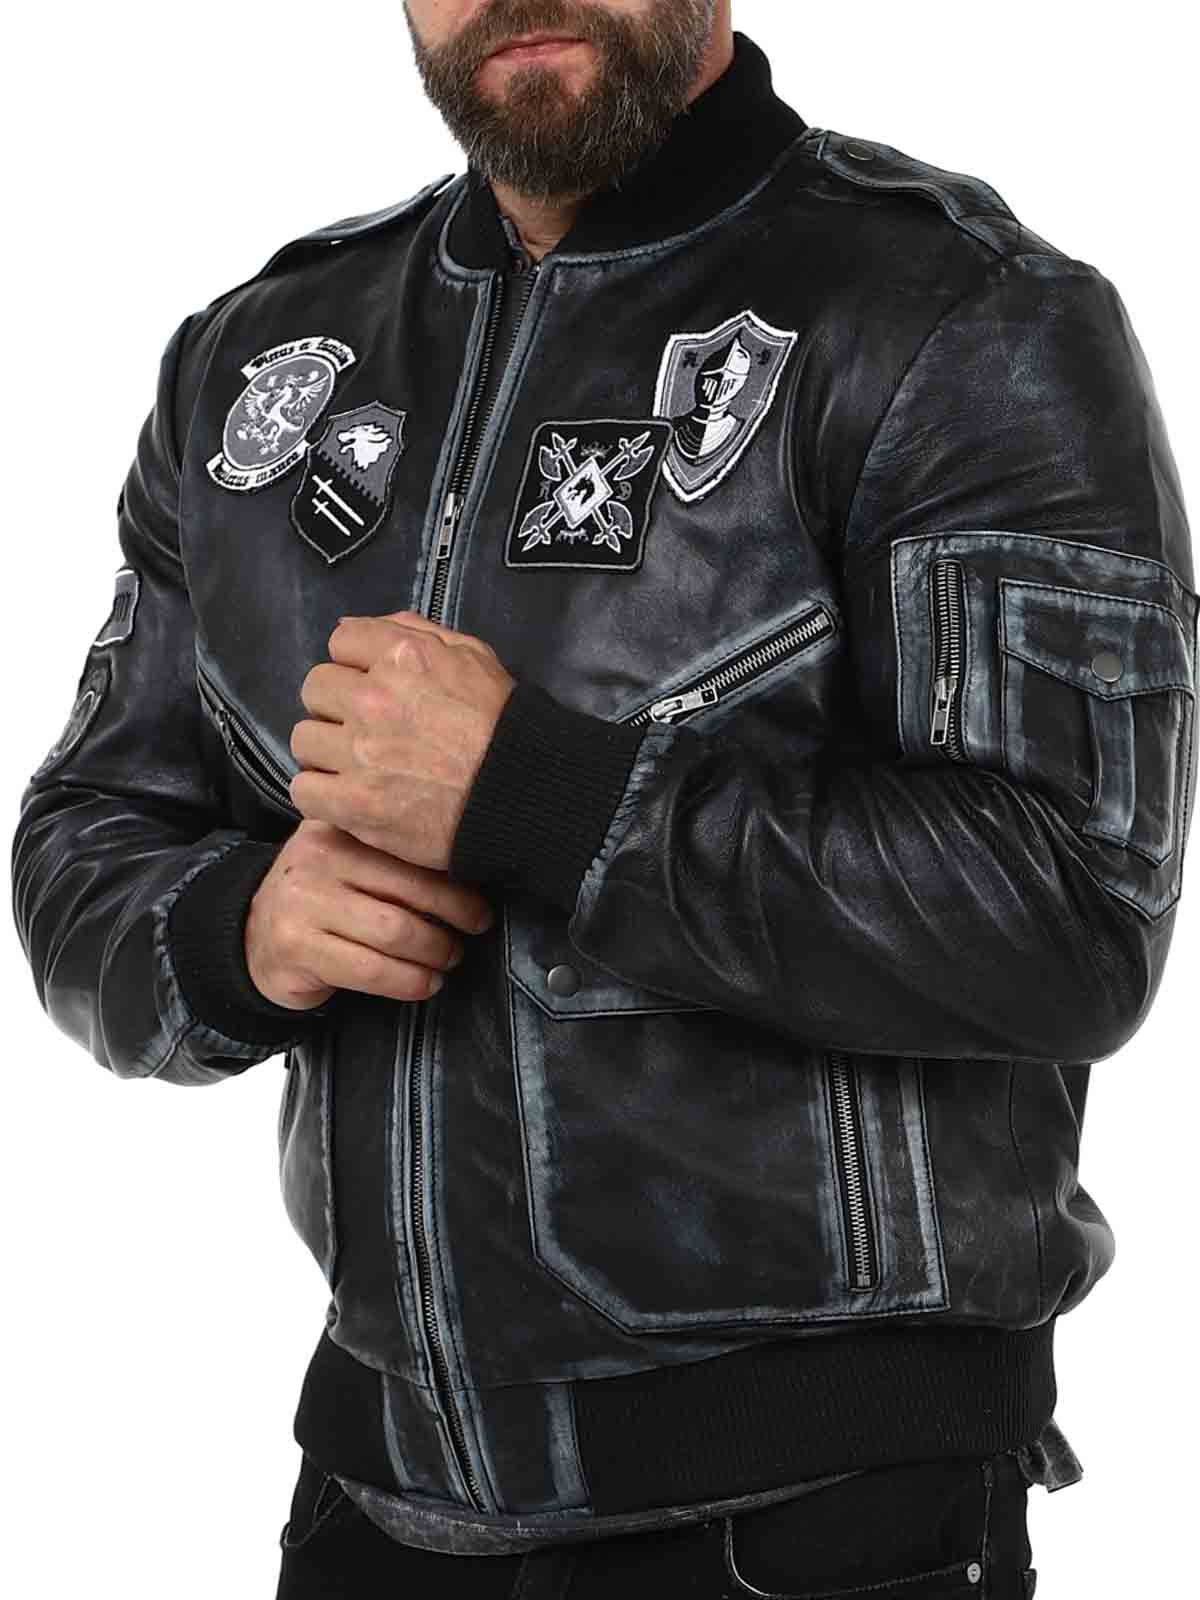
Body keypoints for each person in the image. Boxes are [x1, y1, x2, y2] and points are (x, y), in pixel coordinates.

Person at [12, 1, 1196, 1595]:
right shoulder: (261, 356)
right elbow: (84, 836)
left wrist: (542, 797)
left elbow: (1071, 913)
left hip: (822, 1522)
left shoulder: (958, 319)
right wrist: (243, 927)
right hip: (374, 1500)